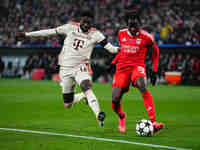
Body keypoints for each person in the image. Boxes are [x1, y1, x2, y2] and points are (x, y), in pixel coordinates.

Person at [17, 11, 119, 126]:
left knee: (86, 85)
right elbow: (49, 32)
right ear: (80, 20)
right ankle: (82, 96)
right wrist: (27, 34)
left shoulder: (96, 34)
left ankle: (98, 114)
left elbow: (110, 48)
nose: (86, 24)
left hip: (82, 66)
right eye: (84, 21)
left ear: (92, 23)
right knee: (68, 104)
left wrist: (120, 50)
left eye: (89, 23)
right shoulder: (70, 27)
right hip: (65, 69)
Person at [111, 12, 164, 133]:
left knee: (142, 85)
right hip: (122, 69)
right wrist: (114, 63)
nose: (132, 22)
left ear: (139, 23)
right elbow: (123, 50)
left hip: (137, 67)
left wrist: (154, 70)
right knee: (115, 98)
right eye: (130, 20)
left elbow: (155, 51)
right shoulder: (121, 33)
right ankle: (121, 117)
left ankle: (153, 121)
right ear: (127, 23)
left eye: (135, 20)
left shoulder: (146, 37)